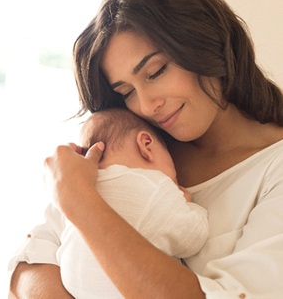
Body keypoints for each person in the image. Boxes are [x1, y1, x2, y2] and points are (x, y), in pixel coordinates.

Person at [9, 0, 283, 298]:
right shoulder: (134, 148)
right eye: (126, 92)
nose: (147, 105)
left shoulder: (273, 170)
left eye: (155, 72)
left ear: (207, 43)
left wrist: (81, 202)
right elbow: (31, 263)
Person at [55, 108, 208, 298]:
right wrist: (188, 204)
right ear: (146, 144)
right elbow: (193, 238)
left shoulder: (79, 188)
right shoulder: (153, 186)